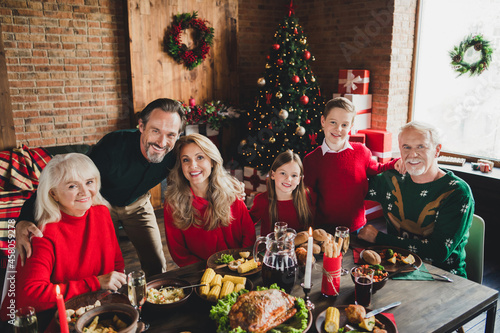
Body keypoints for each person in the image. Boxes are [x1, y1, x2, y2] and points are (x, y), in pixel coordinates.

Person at [15, 98, 185, 277]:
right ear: (141, 126)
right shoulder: (112, 147)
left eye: (171, 134)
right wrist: (24, 218)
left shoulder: (175, 153)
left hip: (138, 203)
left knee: (156, 263)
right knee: (101, 266)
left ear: (178, 135)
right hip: (101, 205)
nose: (162, 142)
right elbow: (54, 184)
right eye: (155, 130)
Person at [0, 153, 125, 321]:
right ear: (53, 194)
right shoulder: (43, 232)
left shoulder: (102, 213)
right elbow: (30, 296)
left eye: (89, 182)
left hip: (95, 309)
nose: (84, 191)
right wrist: (95, 283)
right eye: (72, 186)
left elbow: (116, 263)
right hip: (53, 317)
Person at [358, 121, 474, 277]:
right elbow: (351, 189)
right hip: (395, 271)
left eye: (421, 146)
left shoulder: (457, 192)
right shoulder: (391, 179)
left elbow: (439, 251)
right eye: (406, 147)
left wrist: (379, 238)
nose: (412, 154)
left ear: (437, 150)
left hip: (443, 278)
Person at [303, 97, 401, 234]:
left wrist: (396, 163)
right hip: (324, 229)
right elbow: (308, 197)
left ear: (351, 126)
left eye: (344, 125)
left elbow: (377, 169)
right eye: (333, 122)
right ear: (323, 121)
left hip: (356, 227)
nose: (338, 129)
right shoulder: (311, 160)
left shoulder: (362, 152)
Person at [164, 134, 256, 267]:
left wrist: (240, 264)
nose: (193, 165)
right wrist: (209, 271)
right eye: (186, 160)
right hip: (201, 273)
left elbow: (249, 235)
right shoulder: (173, 203)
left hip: (239, 267)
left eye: (200, 157)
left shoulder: (232, 192)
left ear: (212, 161)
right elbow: (179, 253)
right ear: (180, 166)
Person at [249, 150, 315, 236]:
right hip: (271, 248)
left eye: (294, 175)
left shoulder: (308, 196)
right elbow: (245, 223)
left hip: (301, 248)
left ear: (299, 179)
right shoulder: (262, 200)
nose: (288, 179)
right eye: (283, 173)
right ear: (273, 175)